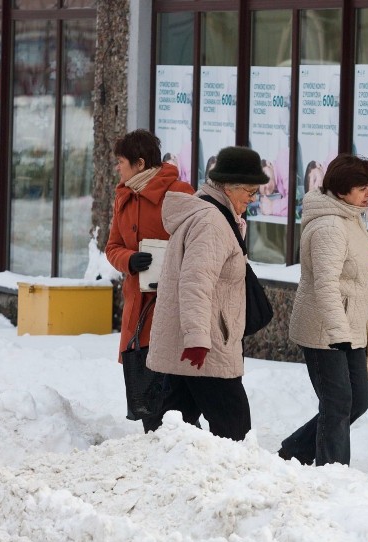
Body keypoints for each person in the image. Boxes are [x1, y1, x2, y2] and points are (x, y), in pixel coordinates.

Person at [146, 146, 269, 441]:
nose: (252, 200)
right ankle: (231, 483)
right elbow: (195, 282)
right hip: (207, 345)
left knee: (176, 425)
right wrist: (198, 340)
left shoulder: (214, 214)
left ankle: (171, 474)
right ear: (229, 186)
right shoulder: (212, 222)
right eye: (250, 192)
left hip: (198, 340)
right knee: (233, 427)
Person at [279, 154, 368, 466]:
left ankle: (294, 451)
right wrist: (338, 332)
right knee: (337, 403)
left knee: (357, 402)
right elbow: (325, 284)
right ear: (340, 190)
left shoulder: (351, 217)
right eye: (362, 187)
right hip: (326, 330)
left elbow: (348, 272)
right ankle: (333, 474)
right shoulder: (330, 226)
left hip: (350, 326)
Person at [105, 130, 195, 433]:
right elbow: (112, 246)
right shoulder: (124, 196)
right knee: (146, 389)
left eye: (121, 162)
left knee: (176, 391)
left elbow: (198, 243)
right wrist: (128, 259)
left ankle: (184, 447)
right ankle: (155, 445)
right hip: (139, 309)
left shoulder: (180, 192)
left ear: (140, 163)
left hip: (172, 306)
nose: (118, 168)